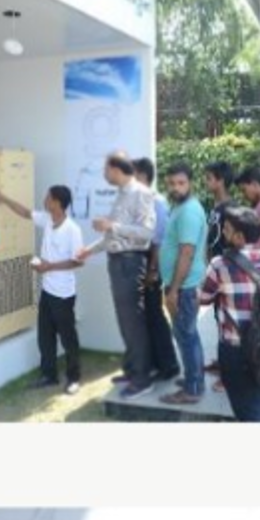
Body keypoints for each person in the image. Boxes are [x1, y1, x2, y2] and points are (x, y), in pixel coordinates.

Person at [0, 184, 85, 394]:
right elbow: (24, 212)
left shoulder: (72, 230)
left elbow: (78, 262)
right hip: (47, 292)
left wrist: (49, 266)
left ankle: (74, 378)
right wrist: (1, 197)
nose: (45, 200)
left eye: (48, 197)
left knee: (68, 338)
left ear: (57, 202)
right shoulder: (47, 219)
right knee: (45, 337)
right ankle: (49, 375)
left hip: (64, 295)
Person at [75, 153, 156, 399]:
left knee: (133, 322)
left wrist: (112, 226)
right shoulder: (122, 194)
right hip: (118, 263)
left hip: (130, 264)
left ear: (115, 169)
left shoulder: (141, 193)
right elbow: (114, 235)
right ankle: (133, 370)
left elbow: (145, 234)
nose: (103, 174)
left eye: (105, 169)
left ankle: (143, 378)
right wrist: (89, 250)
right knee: (125, 321)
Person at [199, 207, 260, 422]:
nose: (223, 233)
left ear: (239, 236)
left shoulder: (219, 264)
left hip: (234, 347)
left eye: (226, 229)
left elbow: (203, 298)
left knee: (243, 405)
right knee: (257, 395)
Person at [157, 163, 209, 407]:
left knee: (186, 336)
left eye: (181, 183)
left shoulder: (188, 211)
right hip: (183, 285)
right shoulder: (180, 207)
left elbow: (186, 252)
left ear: (190, 184)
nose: (176, 188)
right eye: (172, 183)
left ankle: (193, 389)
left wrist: (174, 290)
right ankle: (194, 378)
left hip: (184, 287)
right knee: (188, 335)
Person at [131, 157, 181, 384]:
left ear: (143, 176)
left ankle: (168, 365)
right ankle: (152, 363)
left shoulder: (156, 202)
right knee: (144, 316)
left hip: (153, 265)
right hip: (141, 263)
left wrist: (152, 271)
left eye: (132, 174)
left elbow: (158, 242)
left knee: (154, 314)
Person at [204, 161, 234, 263]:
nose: (205, 182)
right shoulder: (214, 206)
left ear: (220, 181)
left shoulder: (231, 209)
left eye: (209, 178)